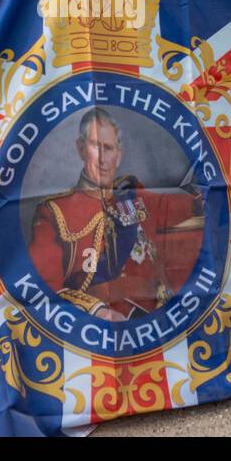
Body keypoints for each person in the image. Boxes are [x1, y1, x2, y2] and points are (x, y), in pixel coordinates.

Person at [28, 109, 203, 322]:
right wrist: (97, 311)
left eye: (109, 149)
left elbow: (176, 206)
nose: (103, 159)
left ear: (118, 156)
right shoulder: (53, 211)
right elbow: (43, 286)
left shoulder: (132, 196)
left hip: (156, 316)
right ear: (81, 149)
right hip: (98, 323)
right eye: (95, 146)